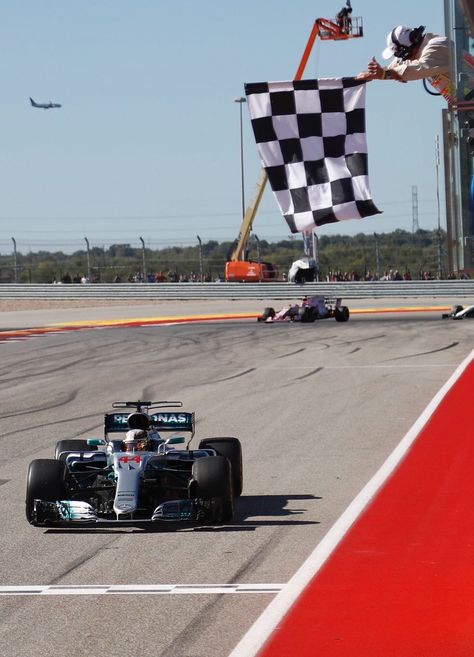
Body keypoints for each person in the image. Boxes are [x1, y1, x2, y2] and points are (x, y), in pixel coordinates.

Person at [357, 25, 450, 93]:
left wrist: (383, 74)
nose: (402, 59)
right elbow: (396, 66)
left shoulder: (435, 47)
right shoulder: (419, 49)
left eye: (401, 55)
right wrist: (373, 74)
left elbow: (412, 70)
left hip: (464, 100)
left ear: (406, 51)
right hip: (462, 103)